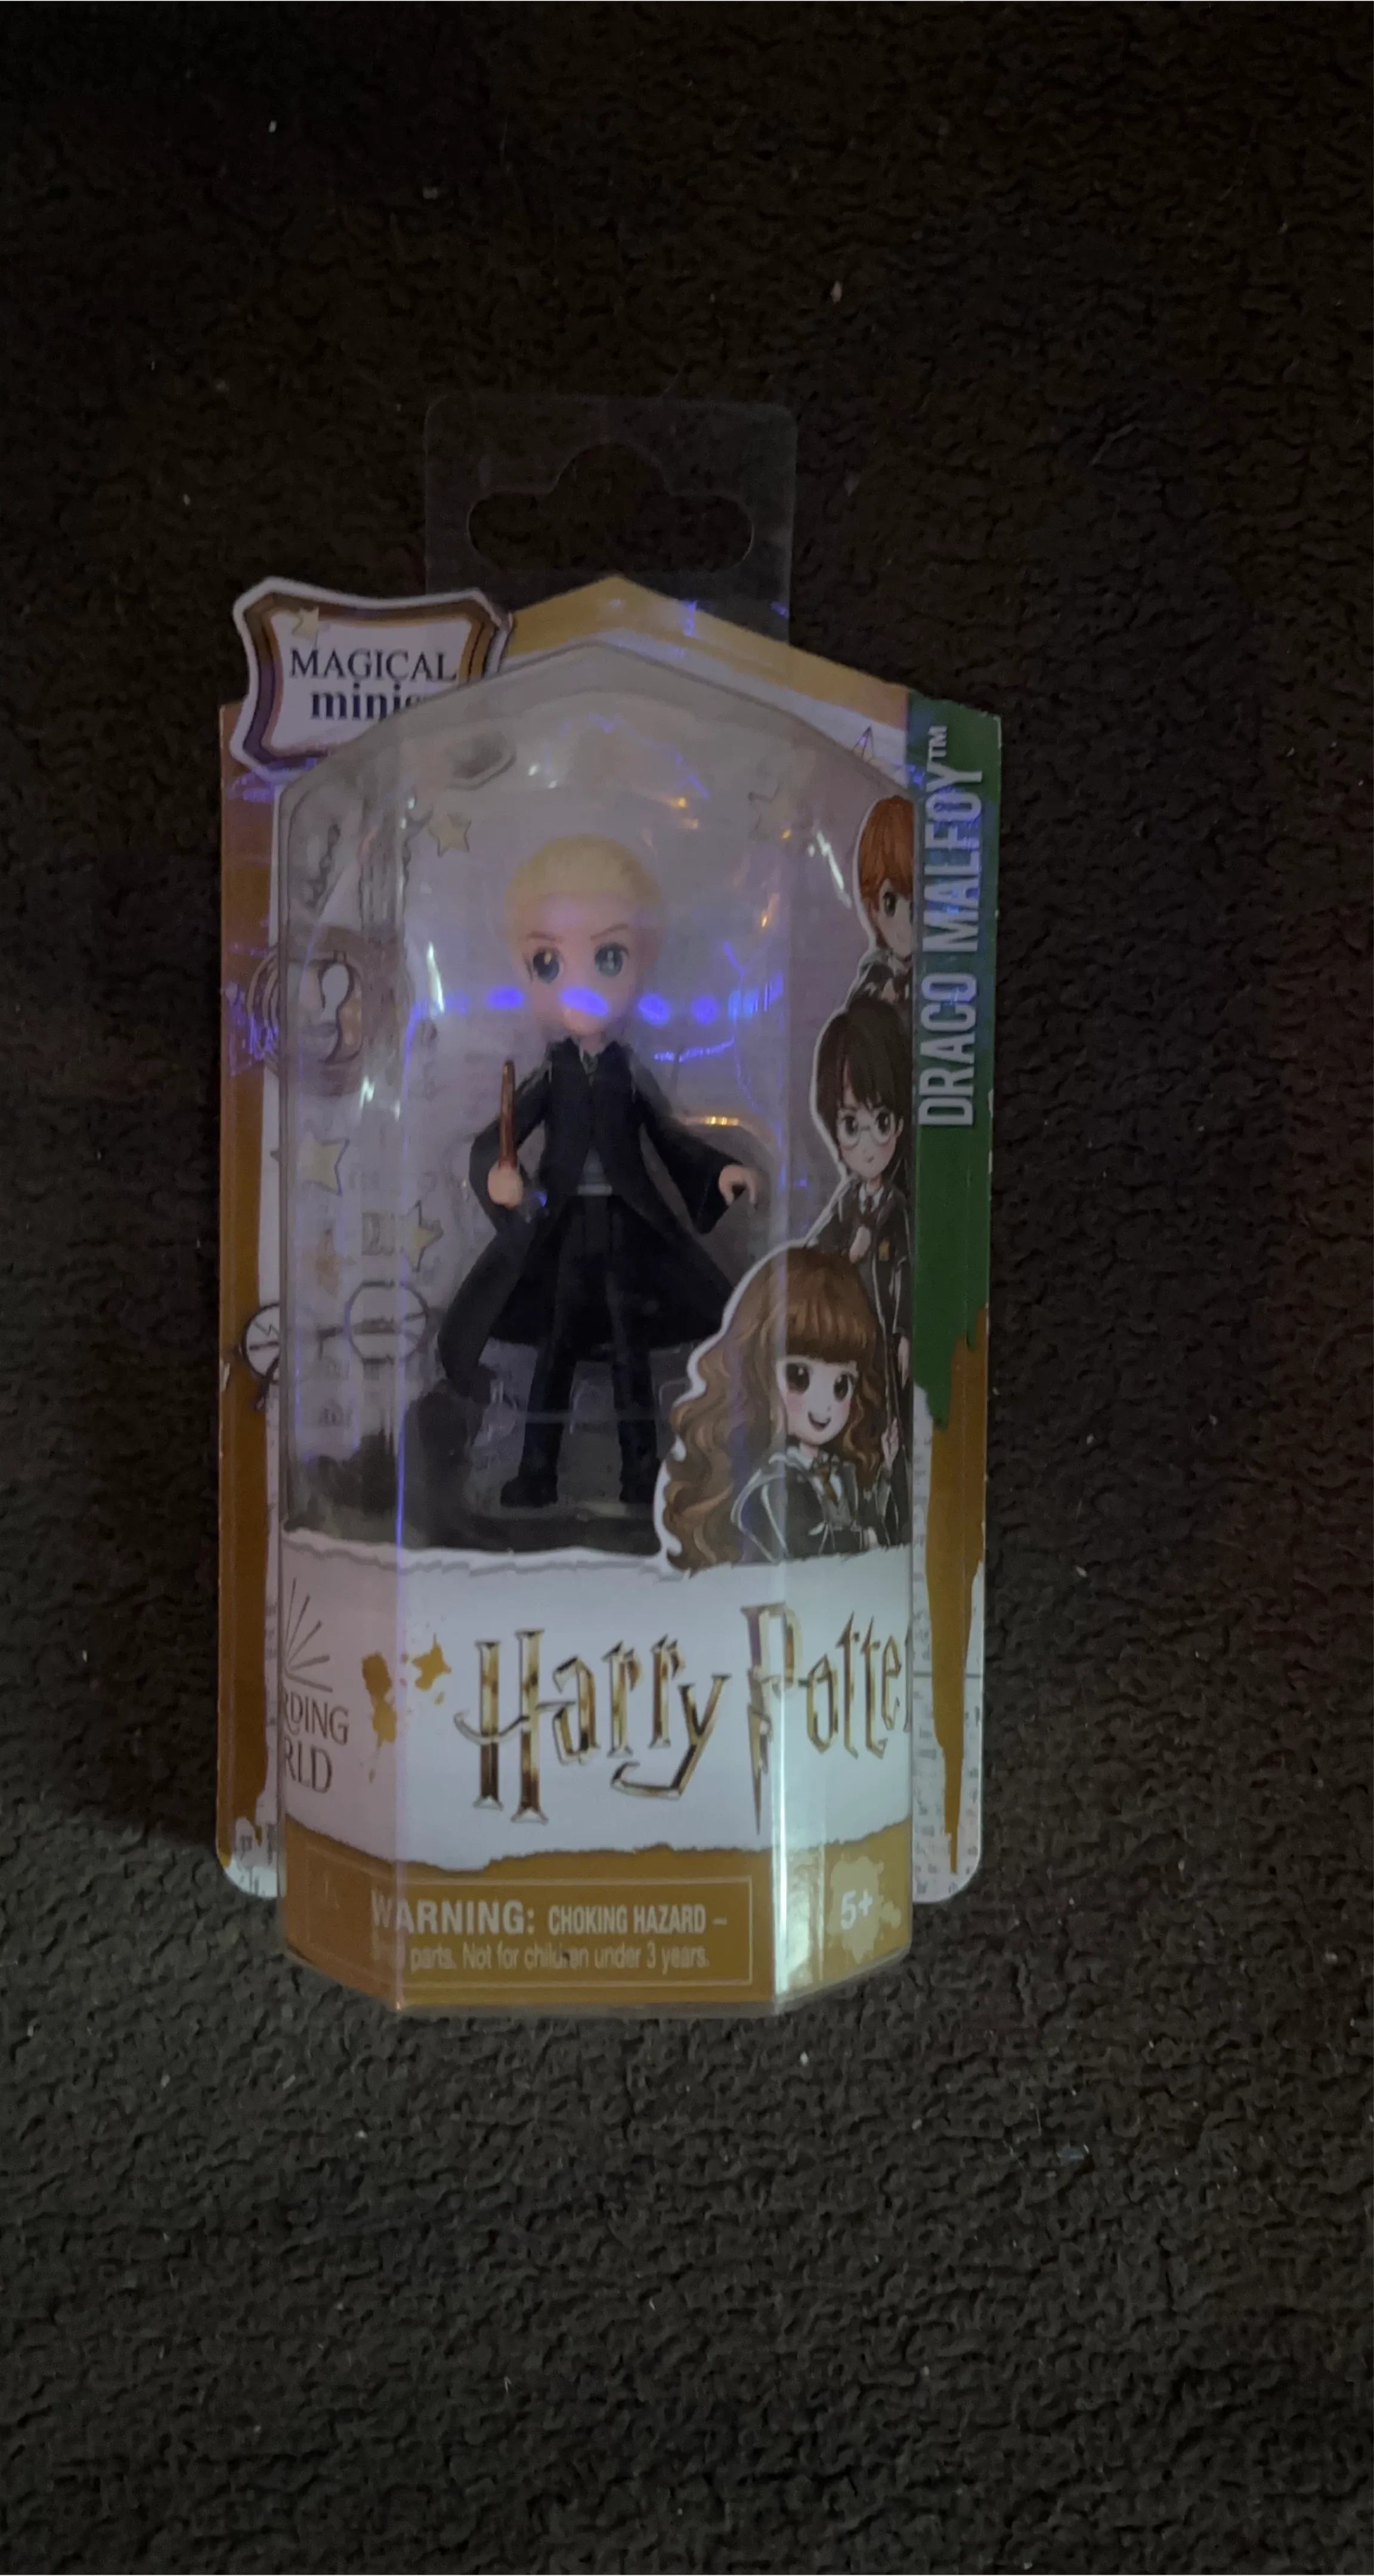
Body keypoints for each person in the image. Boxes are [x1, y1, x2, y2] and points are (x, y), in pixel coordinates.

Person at [437, 836, 760, 1512]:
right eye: (548, 962)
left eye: (609, 956)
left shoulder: (627, 1073)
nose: (580, 983)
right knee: (555, 1352)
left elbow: (669, 1138)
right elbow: (491, 1146)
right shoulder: (549, 1076)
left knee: (628, 1351)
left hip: (626, 1229)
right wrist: (500, 1183)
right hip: (560, 1231)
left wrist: (720, 1173)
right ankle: (536, 1471)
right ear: (523, 969)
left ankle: (643, 1473)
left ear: (643, 961)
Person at [658, 1245, 892, 1570]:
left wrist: (886, 1473)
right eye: (799, 1377)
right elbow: (808, 1548)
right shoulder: (770, 1483)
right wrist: (866, 1541)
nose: (823, 1404)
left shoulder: (836, 1472)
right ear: (756, 1371)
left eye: (842, 1384)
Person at [808, 998, 912, 1537]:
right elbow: (817, 1250)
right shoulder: (850, 1202)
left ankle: (893, 1522)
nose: (868, 1143)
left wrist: (907, 1332)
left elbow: (913, 1270)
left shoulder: (897, 1207)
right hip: (852, 1345)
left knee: (891, 1435)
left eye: (882, 1122)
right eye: (852, 1124)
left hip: (888, 1341)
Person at [849, 793, 916, 1019]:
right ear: (873, 908)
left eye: (916, 905)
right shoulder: (875, 978)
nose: (906, 921)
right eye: (890, 904)